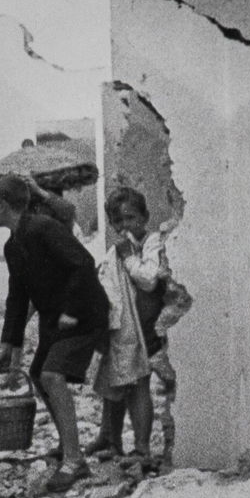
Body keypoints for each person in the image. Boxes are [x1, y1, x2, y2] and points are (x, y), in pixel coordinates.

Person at [0, 174, 111, 493]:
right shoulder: (13, 245)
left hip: (83, 314)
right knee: (39, 375)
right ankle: (67, 444)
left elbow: (83, 263)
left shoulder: (43, 227)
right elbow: (18, 295)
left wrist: (70, 309)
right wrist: (8, 342)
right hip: (56, 320)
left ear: (2, 204)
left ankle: (74, 461)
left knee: (53, 375)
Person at [86, 187, 169, 476]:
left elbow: (148, 280)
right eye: (118, 223)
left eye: (131, 218)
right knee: (113, 381)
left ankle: (143, 448)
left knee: (138, 385)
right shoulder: (118, 249)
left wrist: (129, 256)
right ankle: (110, 439)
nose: (125, 227)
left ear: (145, 217)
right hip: (120, 328)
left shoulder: (151, 243)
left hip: (143, 329)